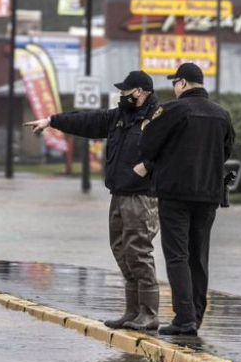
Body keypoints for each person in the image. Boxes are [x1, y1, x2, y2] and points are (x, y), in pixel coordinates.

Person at [23, 70, 161, 331]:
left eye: (126, 91)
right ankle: (132, 311)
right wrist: (51, 120)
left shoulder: (157, 119)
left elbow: (169, 149)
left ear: (140, 92)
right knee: (122, 251)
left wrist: (147, 166)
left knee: (139, 252)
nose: (122, 95)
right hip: (119, 194)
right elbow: (86, 121)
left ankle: (149, 313)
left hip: (141, 196)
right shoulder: (119, 117)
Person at [138, 63, 235, 336]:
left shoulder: (172, 110)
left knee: (177, 255)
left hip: (175, 194)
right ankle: (196, 315)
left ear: (181, 83)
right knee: (198, 256)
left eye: (174, 83)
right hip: (209, 195)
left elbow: (147, 144)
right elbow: (225, 151)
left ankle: (184, 317)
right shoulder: (221, 114)